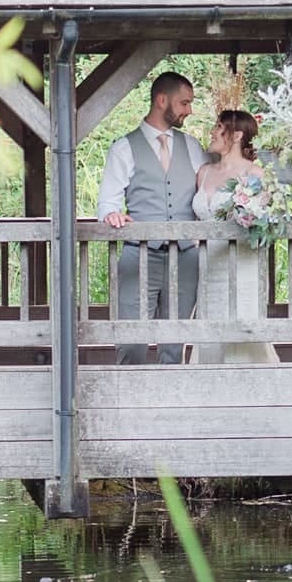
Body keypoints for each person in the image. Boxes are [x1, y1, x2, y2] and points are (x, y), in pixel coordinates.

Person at [96, 71, 206, 365]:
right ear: (161, 100)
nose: (189, 110)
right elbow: (107, 202)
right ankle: (129, 404)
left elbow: (213, 191)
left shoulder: (193, 147)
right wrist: (112, 215)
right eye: (184, 103)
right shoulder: (124, 148)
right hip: (140, 255)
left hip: (185, 257)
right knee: (131, 341)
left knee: (174, 343)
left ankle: (167, 407)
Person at [190, 110, 281, 365]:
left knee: (243, 326)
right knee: (210, 327)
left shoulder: (256, 175)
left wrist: (250, 217)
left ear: (237, 135)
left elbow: (268, 223)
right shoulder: (204, 172)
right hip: (209, 268)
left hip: (241, 266)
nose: (212, 132)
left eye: (218, 127)